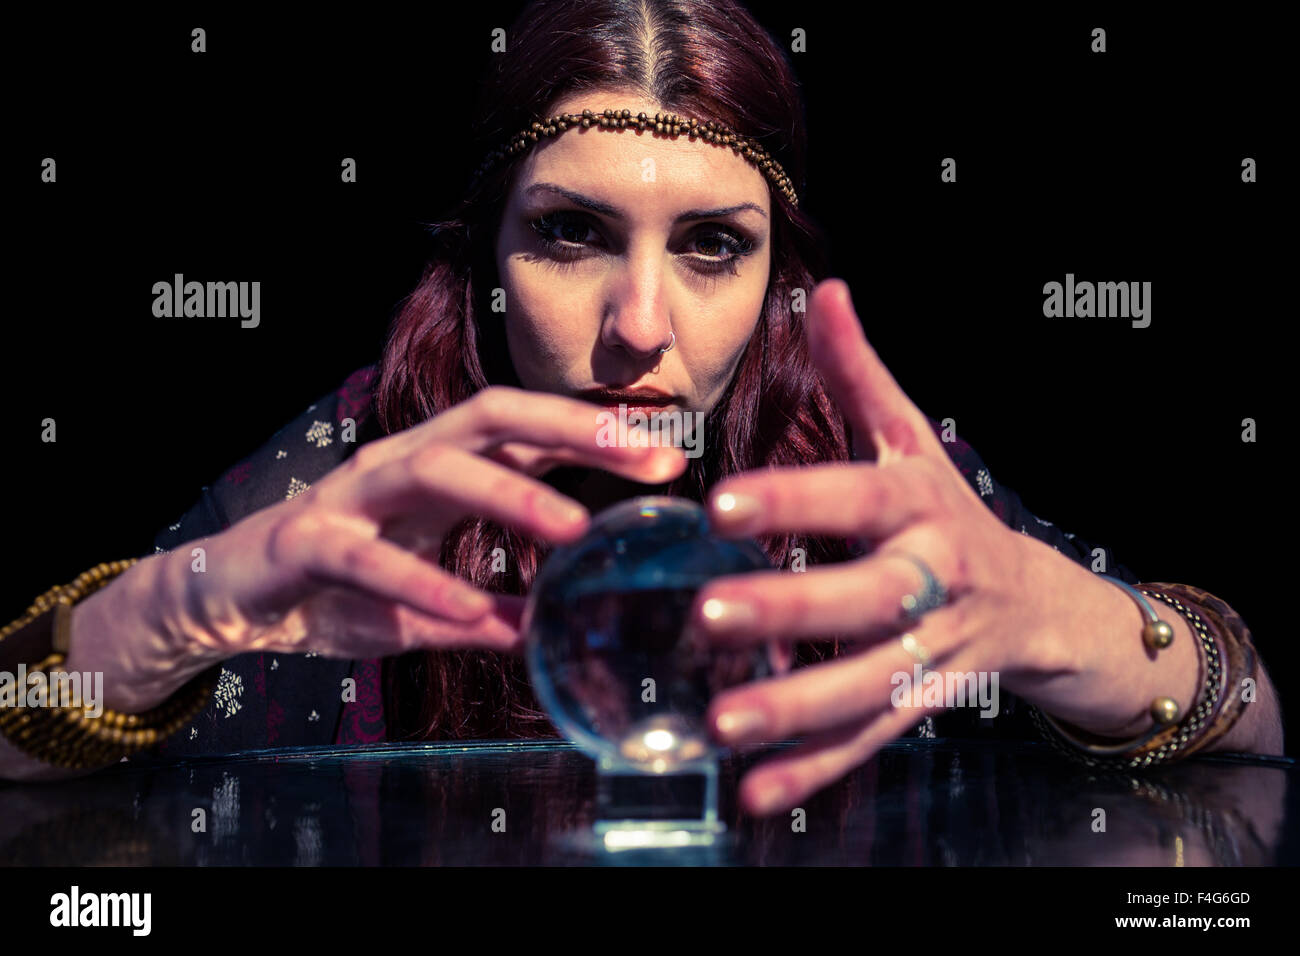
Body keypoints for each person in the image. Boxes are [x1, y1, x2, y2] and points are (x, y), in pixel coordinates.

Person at [0, 0, 1282, 813]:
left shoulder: (863, 479)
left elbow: (1257, 727)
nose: (641, 326)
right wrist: (177, 610)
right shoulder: (354, 473)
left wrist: (1072, 623)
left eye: (714, 246)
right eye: (569, 234)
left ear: (779, 270)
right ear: (483, 263)